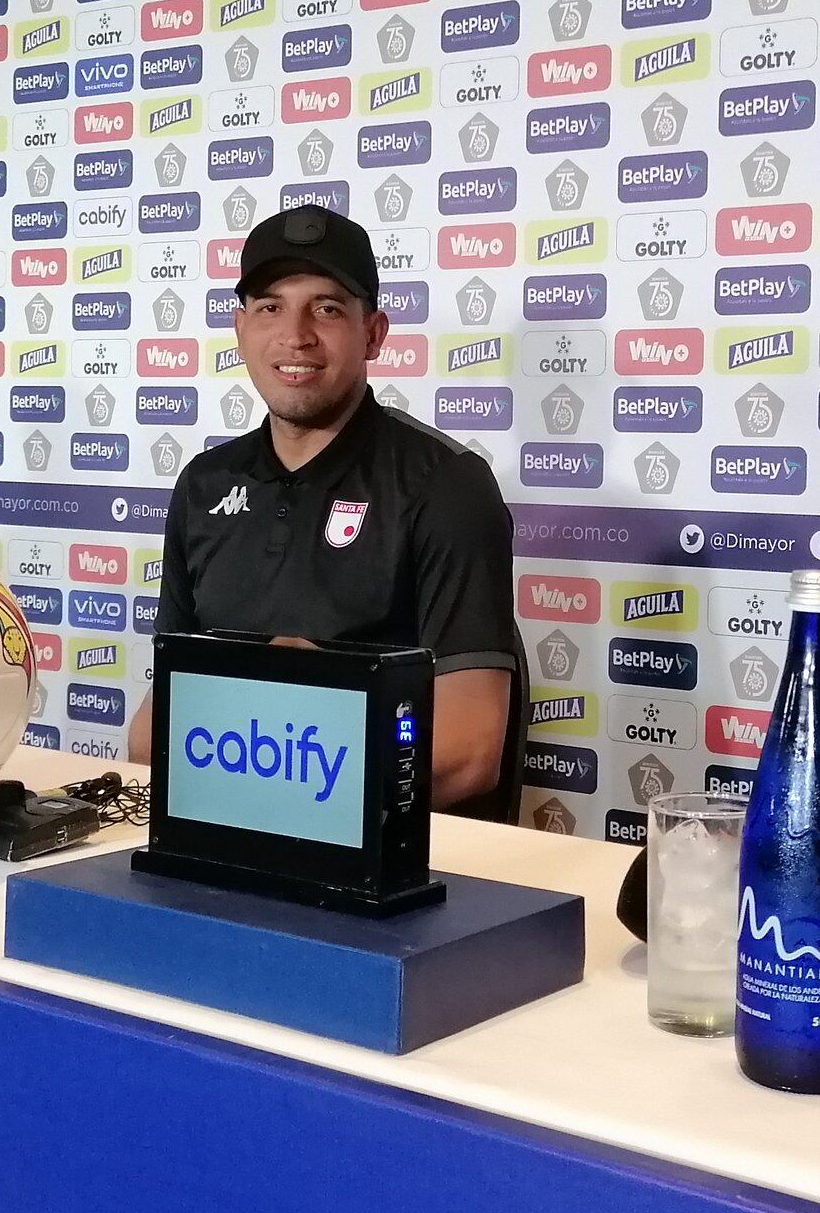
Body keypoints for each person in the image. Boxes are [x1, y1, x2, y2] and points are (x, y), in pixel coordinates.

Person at [128, 204, 525, 821]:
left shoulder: (446, 486)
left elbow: (469, 752)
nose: (296, 335)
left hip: (396, 877)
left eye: (328, 308)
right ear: (240, 328)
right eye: (270, 307)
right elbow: (151, 734)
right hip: (228, 843)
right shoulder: (204, 486)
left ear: (374, 333)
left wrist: (276, 771)